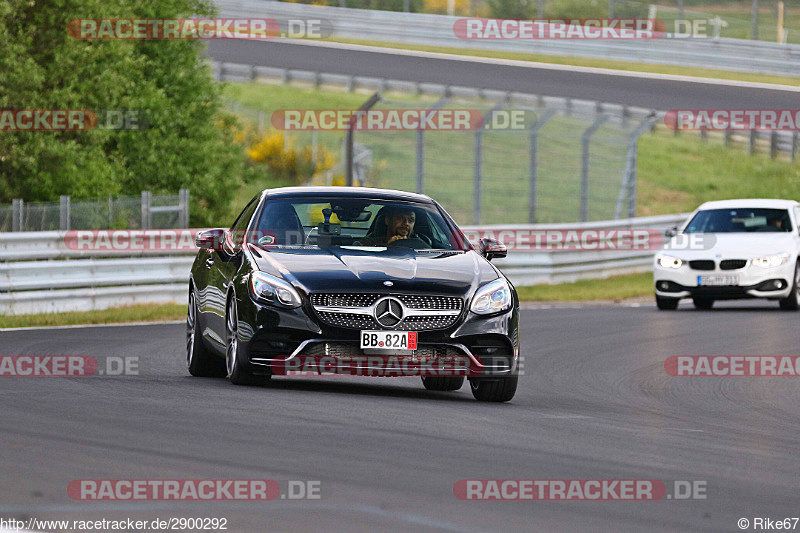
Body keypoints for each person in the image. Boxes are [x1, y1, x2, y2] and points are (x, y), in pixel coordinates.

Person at [358, 207, 429, 247]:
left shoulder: (422, 246)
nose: (406, 223)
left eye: (411, 220)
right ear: (387, 220)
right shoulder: (368, 244)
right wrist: (388, 246)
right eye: (400, 218)